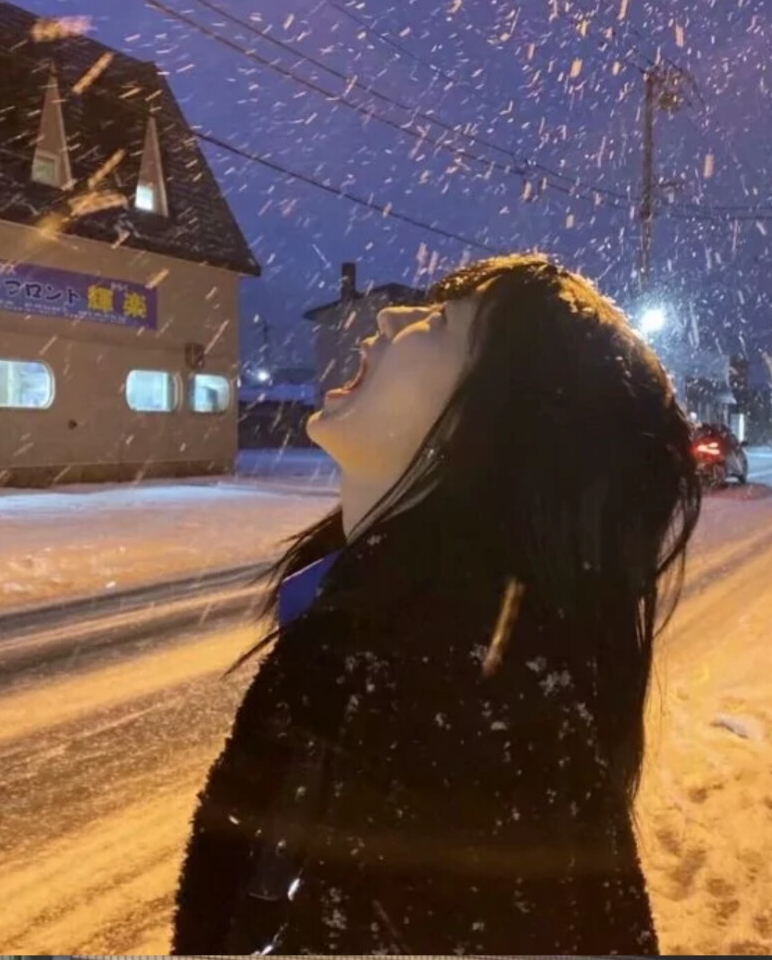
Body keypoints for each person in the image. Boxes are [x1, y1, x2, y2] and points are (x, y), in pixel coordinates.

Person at [171, 253, 702, 955]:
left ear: (495, 432)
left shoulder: (471, 706)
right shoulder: (392, 630)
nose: (392, 315)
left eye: (441, 322)